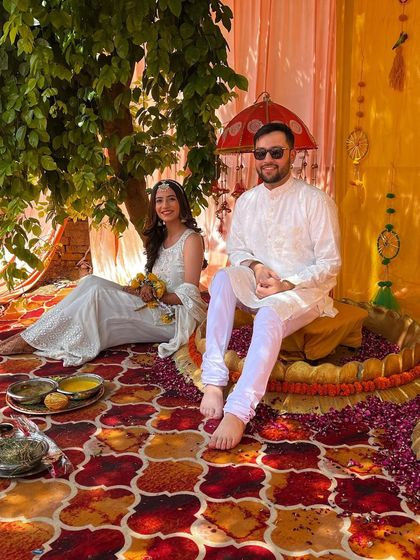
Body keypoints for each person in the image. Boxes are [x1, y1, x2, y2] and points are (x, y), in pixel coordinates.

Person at [200, 123, 341, 450]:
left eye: (276, 152)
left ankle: (238, 409)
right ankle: (214, 378)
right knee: (222, 277)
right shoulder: (247, 201)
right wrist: (257, 267)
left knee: (268, 314)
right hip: (260, 283)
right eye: (260, 153)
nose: (267, 160)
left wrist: (287, 283)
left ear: (291, 154)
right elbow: (237, 251)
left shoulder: (315, 201)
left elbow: (330, 263)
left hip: (302, 291)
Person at [0, 180, 207, 366]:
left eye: (171, 199)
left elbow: (190, 296)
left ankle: (33, 340)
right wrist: (144, 288)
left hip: (173, 318)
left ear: (181, 203)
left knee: (98, 296)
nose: (165, 206)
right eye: (159, 200)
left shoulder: (191, 240)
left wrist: (156, 295)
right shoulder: (160, 239)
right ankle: (34, 334)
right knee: (91, 282)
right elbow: (157, 279)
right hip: (154, 303)